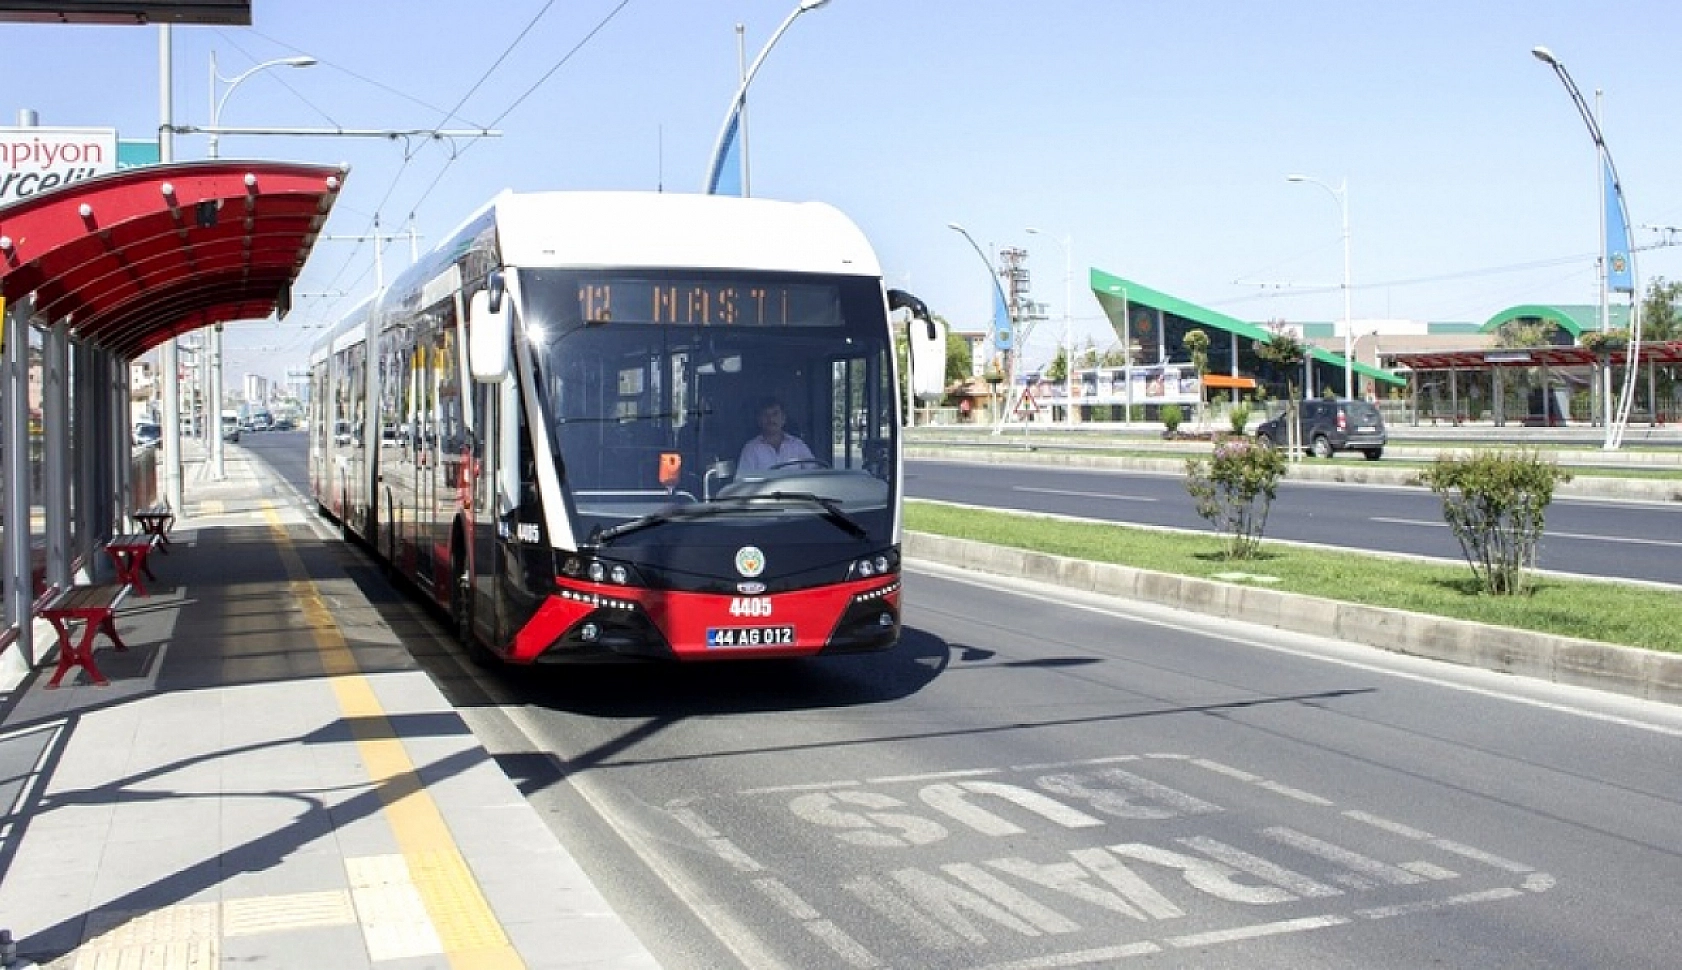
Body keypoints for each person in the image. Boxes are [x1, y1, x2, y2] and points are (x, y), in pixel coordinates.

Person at [737, 397, 816, 472]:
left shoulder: (798, 445)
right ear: (759, 420)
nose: (771, 419)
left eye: (775, 414)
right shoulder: (750, 449)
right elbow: (744, 482)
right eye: (765, 415)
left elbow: (814, 473)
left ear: (783, 418)